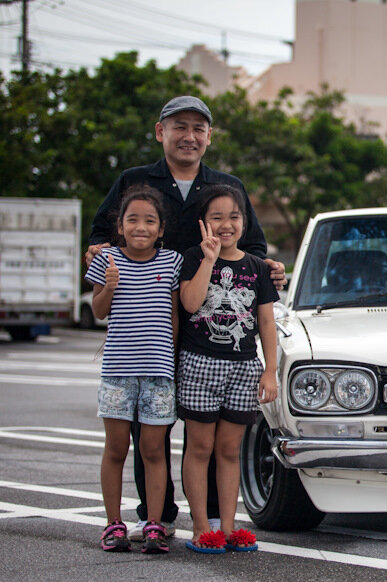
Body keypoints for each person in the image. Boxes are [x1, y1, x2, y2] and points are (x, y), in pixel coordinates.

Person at [84, 96, 285, 541]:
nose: (189, 136)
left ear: (209, 137)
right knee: (147, 431)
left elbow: (253, 247)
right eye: (179, 126)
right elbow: (102, 233)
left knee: (210, 432)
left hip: (210, 330)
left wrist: (266, 269)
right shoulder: (134, 180)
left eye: (199, 128)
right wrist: (98, 252)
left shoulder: (226, 186)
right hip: (149, 327)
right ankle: (154, 513)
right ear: (161, 132)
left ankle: (212, 516)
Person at [178, 184, 278, 553]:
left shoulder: (257, 268)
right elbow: (190, 303)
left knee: (229, 450)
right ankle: (201, 526)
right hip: (199, 364)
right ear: (203, 222)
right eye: (216, 217)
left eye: (233, 217)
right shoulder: (192, 258)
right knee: (200, 447)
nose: (226, 224)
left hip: (243, 367)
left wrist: (269, 371)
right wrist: (208, 259)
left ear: (245, 221)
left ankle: (231, 526)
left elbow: (266, 322)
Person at [85, 185, 183, 554]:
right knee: (115, 449)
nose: (140, 227)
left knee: (153, 450)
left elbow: (174, 316)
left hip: (159, 373)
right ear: (121, 227)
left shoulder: (171, 262)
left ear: (160, 230)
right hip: (117, 372)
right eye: (132, 220)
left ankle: (155, 524)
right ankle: (113, 525)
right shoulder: (106, 261)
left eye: (149, 221)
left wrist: (170, 360)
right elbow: (98, 311)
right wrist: (108, 288)